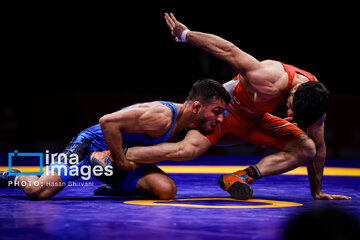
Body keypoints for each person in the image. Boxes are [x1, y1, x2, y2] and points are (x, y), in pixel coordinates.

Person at [109, 13, 351, 200]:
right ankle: (114, 155)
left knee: (306, 147)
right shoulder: (268, 77)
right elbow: (228, 50)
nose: (289, 115)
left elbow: (319, 147)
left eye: (294, 115)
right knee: (188, 150)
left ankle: (240, 177)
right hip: (224, 112)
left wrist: (317, 192)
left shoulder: (316, 103)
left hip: (255, 121)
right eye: (290, 108)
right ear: (295, 91)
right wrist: (185, 34)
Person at [0, 78, 230, 200]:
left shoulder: (186, 124)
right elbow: (107, 121)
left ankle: (113, 185)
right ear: (197, 106)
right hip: (91, 145)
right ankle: (13, 176)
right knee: (39, 192)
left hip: (114, 158)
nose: (220, 119)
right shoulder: (160, 116)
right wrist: (120, 160)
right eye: (217, 111)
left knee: (166, 190)